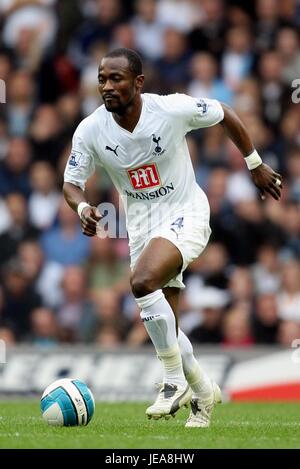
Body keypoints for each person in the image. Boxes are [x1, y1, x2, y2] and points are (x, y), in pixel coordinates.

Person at [63, 48, 282, 427]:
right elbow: (71, 184)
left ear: (139, 82)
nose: (107, 87)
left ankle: (172, 381)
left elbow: (223, 113)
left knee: (142, 282)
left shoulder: (170, 109)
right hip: (142, 226)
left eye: (116, 78)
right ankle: (203, 392)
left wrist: (254, 163)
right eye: (102, 79)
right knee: (167, 325)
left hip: (186, 212)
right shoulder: (91, 129)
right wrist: (83, 209)